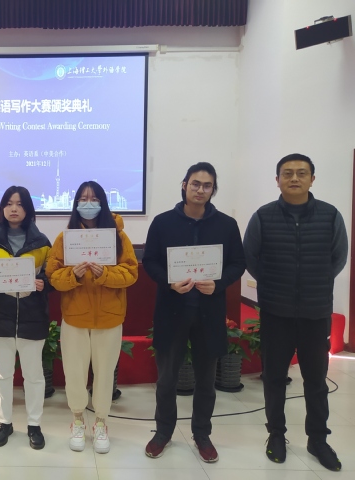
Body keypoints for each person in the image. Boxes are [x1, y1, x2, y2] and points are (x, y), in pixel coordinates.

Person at [244, 153, 347, 472]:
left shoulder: (330, 215)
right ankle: (276, 434)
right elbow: (251, 257)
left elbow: (338, 258)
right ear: (277, 180)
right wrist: (274, 285)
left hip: (316, 312)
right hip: (276, 312)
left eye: (301, 173)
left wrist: (316, 282)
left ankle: (318, 439)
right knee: (275, 378)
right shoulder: (263, 217)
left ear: (312, 179)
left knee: (316, 380)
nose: (294, 178)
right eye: (287, 173)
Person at [143, 162, 245, 462]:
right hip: (171, 312)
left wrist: (219, 283)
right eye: (195, 184)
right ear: (184, 185)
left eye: (207, 185)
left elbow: (238, 263)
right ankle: (163, 432)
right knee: (166, 380)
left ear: (213, 189)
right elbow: (150, 261)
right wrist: (169, 282)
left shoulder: (227, 225)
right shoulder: (162, 222)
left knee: (206, 381)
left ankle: (202, 434)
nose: (200, 190)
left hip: (209, 313)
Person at [46, 181, 138, 454]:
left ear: (103, 203)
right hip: (75, 317)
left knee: (105, 373)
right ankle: (77, 419)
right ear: (76, 204)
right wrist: (72, 275)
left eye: (94, 199)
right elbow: (53, 276)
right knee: (74, 372)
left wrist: (105, 274)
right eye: (83, 199)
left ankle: (100, 423)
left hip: (109, 317)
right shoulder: (66, 238)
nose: (88, 204)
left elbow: (131, 273)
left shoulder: (118, 237)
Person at [0, 186, 51, 450]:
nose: (14, 208)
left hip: (33, 316)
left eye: (19, 204)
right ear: (2, 208)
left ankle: (34, 425)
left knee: (34, 375)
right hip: (0, 316)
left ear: (28, 209)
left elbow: (52, 275)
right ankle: (4, 422)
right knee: (1, 374)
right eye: (9, 203)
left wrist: (44, 282)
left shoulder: (42, 243)